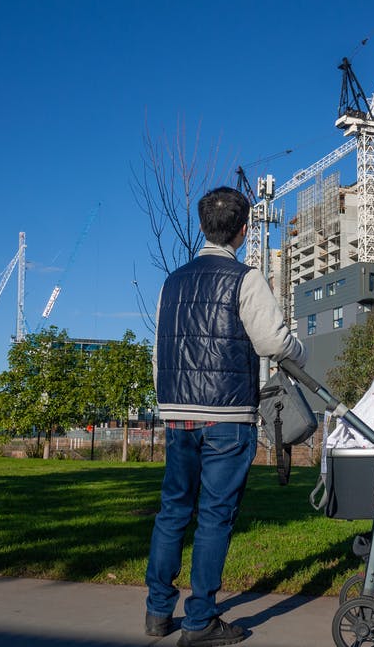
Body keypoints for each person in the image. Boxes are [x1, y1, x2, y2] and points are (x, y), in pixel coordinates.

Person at [145, 186, 307, 647]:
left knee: (173, 510)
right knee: (215, 516)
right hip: (227, 414)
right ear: (244, 228)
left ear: (201, 226)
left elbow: (160, 349)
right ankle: (199, 621)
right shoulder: (245, 278)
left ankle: (157, 612)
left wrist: (166, 400)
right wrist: (302, 351)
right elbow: (274, 343)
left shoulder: (171, 282)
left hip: (177, 414)